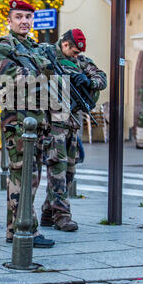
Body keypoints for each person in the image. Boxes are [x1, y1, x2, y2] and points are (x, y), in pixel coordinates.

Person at [0, 0, 55, 249]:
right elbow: (6, 77)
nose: (24, 21)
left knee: (32, 176)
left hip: (36, 120)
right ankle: (25, 228)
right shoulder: (4, 46)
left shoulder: (35, 48)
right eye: (18, 17)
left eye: (28, 17)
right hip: (17, 120)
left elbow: (52, 78)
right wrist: (41, 72)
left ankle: (15, 228)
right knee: (22, 175)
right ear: (10, 20)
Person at [41, 28, 107, 231]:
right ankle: (62, 215)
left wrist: (89, 81)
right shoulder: (46, 55)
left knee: (69, 169)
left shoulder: (80, 61)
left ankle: (47, 212)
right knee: (58, 167)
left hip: (72, 121)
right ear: (65, 44)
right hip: (53, 121)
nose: (77, 55)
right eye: (75, 51)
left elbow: (101, 78)